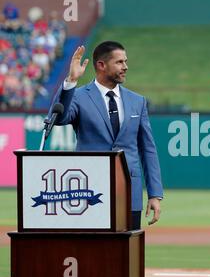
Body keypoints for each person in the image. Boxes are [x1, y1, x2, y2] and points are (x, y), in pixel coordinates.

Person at [50, 41, 163, 229]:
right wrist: (70, 82)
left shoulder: (138, 102)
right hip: (89, 192)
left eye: (125, 62)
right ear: (101, 65)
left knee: (128, 254)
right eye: (119, 62)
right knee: (91, 253)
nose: (125, 67)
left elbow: (148, 149)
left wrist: (154, 194)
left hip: (129, 194)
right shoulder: (78, 96)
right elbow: (58, 119)